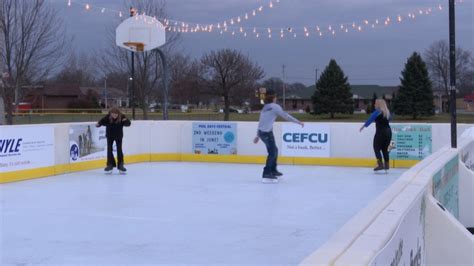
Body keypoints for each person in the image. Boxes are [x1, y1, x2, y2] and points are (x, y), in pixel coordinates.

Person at [253, 89, 304, 183]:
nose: (276, 98)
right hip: (266, 133)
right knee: (272, 152)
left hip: (262, 132)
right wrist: (298, 122)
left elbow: (261, 121)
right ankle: (267, 173)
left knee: (274, 150)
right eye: (275, 96)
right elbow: (286, 116)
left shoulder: (265, 107)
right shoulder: (275, 106)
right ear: (273, 97)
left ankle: (273, 170)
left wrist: (257, 135)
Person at [360, 99, 392, 172]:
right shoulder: (387, 112)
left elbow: (370, 119)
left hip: (381, 132)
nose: (374, 105)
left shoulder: (377, 112)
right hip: (388, 132)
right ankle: (387, 165)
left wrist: (364, 126)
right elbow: (389, 120)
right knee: (384, 149)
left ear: (378, 105)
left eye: (375, 104)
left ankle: (380, 164)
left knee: (376, 148)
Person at [96, 107, 131, 173]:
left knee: (119, 150)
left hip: (118, 136)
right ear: (110, 113)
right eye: (113, 114)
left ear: (118, 114)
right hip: (110, 136)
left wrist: (126, 121)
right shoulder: (107, 117)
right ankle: (110, 164)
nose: (114, 116)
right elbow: (102, 121)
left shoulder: (122, 117)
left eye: (116, 114)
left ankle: (120, 165)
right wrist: (98, 124)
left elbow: (128, 124)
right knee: (109, 150)